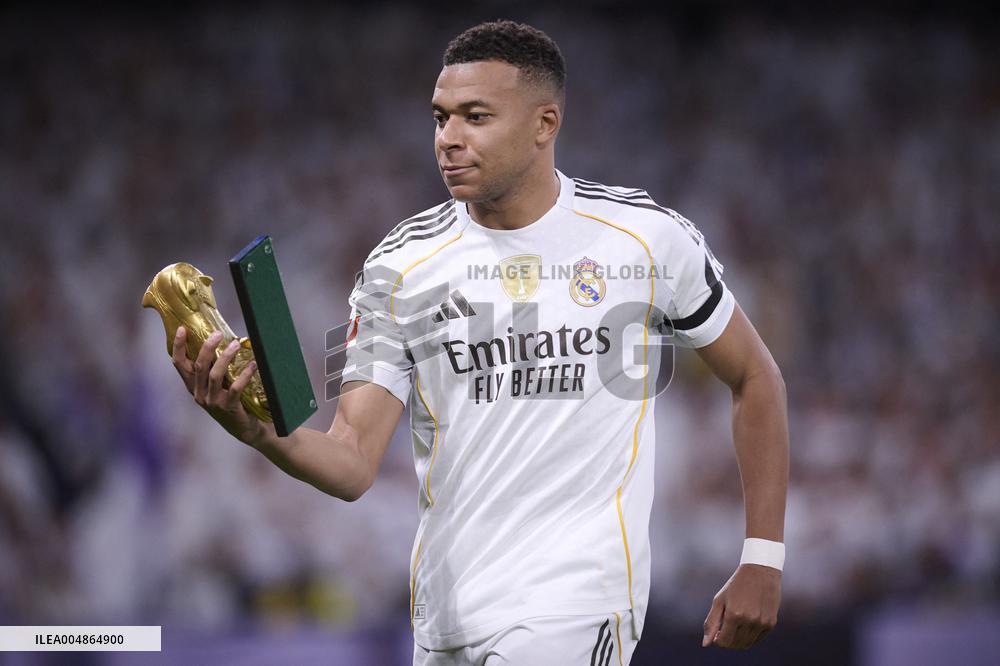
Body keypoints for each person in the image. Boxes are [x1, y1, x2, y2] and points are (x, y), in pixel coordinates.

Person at [170, 19, 788, 665]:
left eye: (475, 117)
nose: (448, 140)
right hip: (445, 618)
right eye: (440, 119)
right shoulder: (401, 266)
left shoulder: (642, 240)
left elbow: (755, 378)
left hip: (575, 603)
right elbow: (352, 462)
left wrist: (763, 557)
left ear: (544, 124)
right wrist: (261, 432)